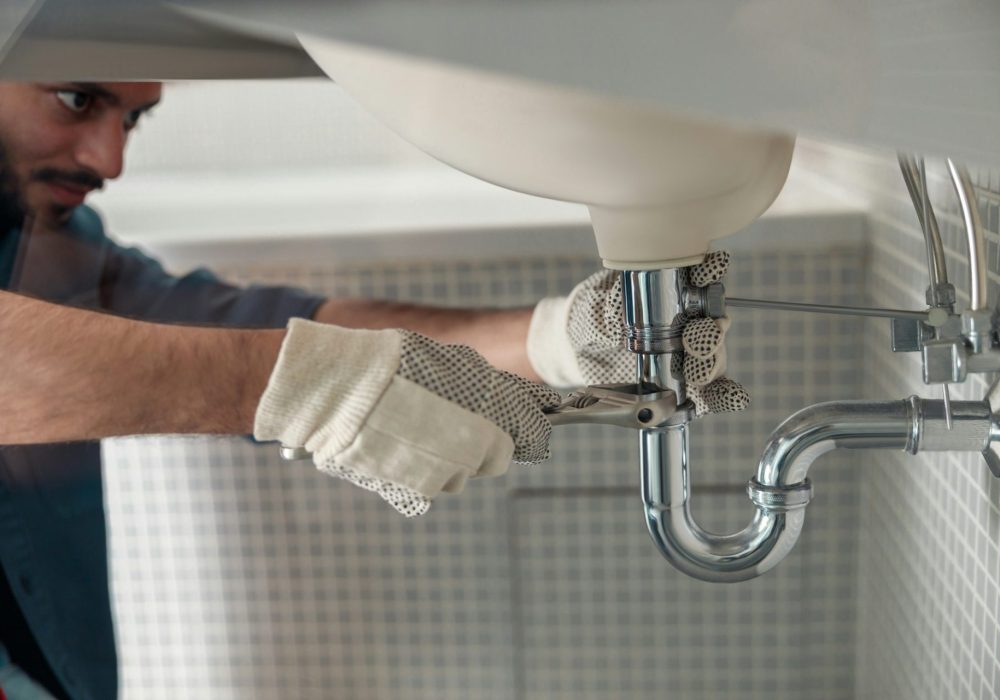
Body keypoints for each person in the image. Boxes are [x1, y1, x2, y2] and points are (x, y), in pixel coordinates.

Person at [0, 81, 744, 700]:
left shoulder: (44, 239)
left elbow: (239, 326)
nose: (111, 156)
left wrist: (556, 337)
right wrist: (305, 387)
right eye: (75, 97)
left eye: (134, 117)